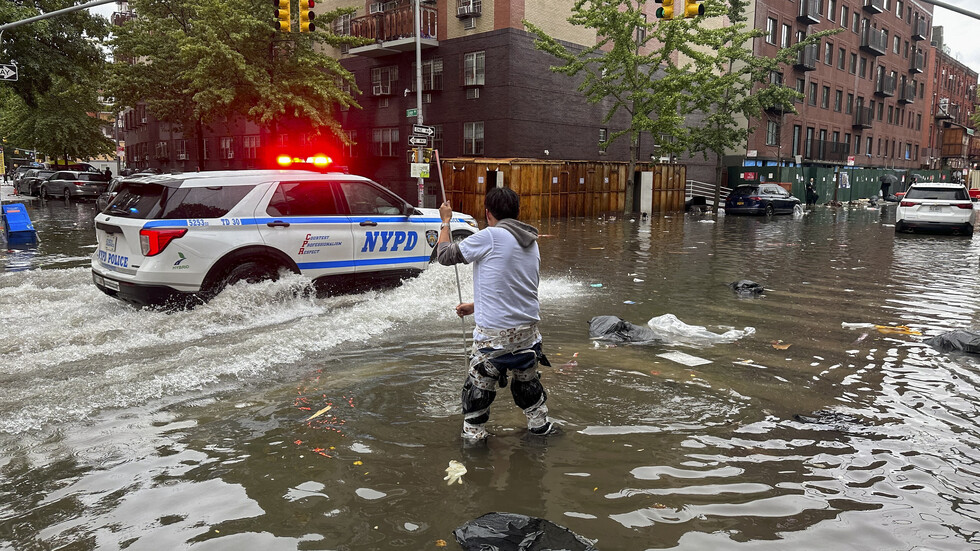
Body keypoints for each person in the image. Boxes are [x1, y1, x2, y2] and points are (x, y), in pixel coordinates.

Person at [436, 187, 556, 440]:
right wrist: (475, 306)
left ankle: (475, 443)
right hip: (529, 337)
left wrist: (445, 222)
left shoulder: (490, 236)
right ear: (516, 212)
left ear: (488, 213)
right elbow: (515, 288)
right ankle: (540, 431)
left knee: (477, 394)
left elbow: (444, 256)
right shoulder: (530, 241)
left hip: (494, 339)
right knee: (529, 389)